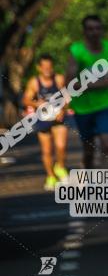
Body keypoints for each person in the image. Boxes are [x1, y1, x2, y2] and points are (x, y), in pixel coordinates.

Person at [66, 15, 108, 169]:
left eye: (98, 28)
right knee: (89, 151)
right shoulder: (77, 51)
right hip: (83, 107)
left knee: (107, 146)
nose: (95, 32)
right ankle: (89, 176)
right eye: (90, 29)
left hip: (105, 105)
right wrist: (97, 84)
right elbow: (69, 83)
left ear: (102, 30)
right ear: (84, 31)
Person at [21, 54, 69, 190]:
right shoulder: (34, 82)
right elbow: (26, 99)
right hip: (43, 119)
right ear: (39, 67)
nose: (47, 69)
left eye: (50, 66)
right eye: (44, 67)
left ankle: (60, 166)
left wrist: (63, 110)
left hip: (59, 118)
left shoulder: (59, 79)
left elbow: (67, 96)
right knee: (47, 151)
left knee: (61, 146)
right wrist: (37, 103)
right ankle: (51, 176)